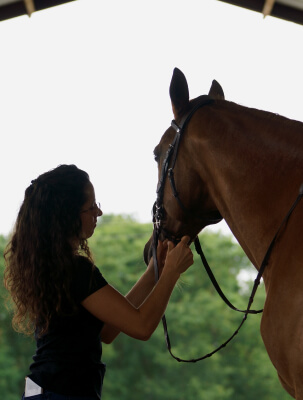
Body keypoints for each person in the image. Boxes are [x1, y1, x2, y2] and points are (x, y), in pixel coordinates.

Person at [3, 164, 194, 400]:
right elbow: (142, 326)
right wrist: (171, 273)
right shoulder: (76, 270)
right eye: (91, 207)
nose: (99, 213)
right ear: (68, 215)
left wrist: (155, 271)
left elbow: (107, 330)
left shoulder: (56, 267)